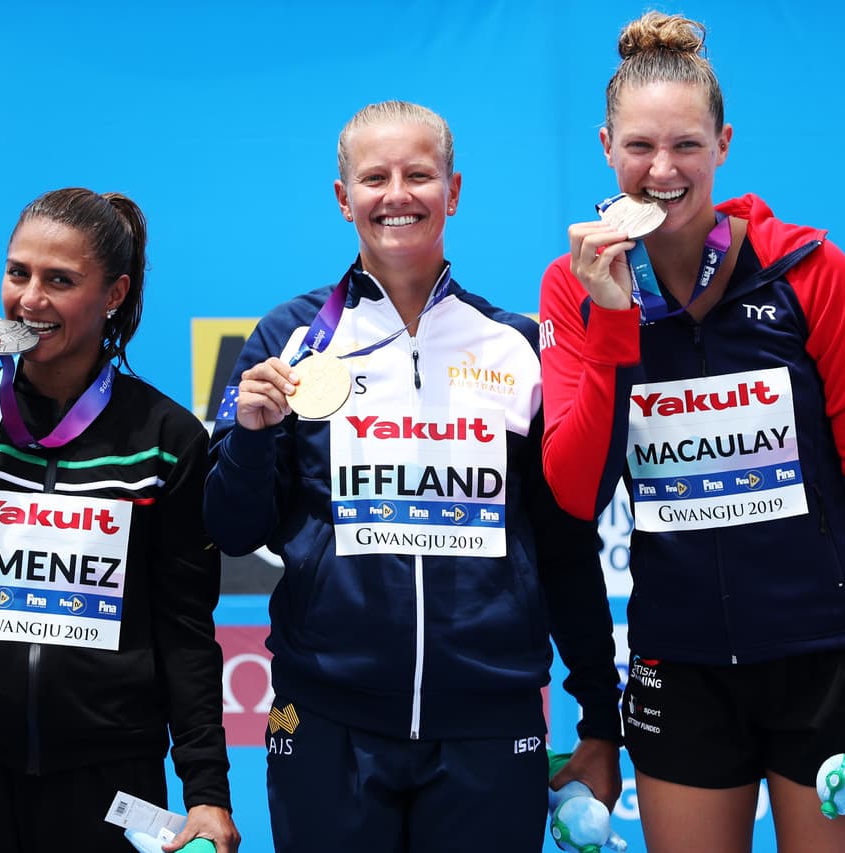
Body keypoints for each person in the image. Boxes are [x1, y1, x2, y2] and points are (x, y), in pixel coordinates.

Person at [537, 12, 845, 853]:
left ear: (723, 144)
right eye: (639, 146)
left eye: (686, 145)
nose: (662, 170)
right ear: (607, 147)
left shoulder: (809, 270)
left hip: (826, 657)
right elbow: (575, 495)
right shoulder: (575, 285)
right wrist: (613, 324)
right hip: (678, 663)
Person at [204, 101, 623, 852]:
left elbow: (564, 546)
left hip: (489, 723)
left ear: (453, 191)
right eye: (374, 177)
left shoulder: (515, 345)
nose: (397, 193)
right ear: (343, 199)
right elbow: (233, 526)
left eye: (418, 175)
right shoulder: (286, 338)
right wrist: (253, 440)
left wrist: (600, 714)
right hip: (328, 721)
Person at [0, 188, 240, 853]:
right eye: (17, 272)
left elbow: (185, 628)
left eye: (60, 280)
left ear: (114, 294)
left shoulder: (164, 437)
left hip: (110, 776)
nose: (28, 300)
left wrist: (206, 791)